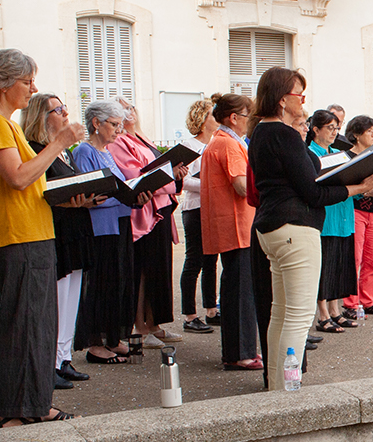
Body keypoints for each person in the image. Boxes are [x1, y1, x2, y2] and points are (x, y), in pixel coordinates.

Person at [0, 48, 84, 427]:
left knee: (38, 325)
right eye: (26, 81)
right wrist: (59, 143)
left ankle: (34, 402)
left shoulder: (8, 124)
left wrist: (65, 198)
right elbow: (16, 176)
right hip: (15, 236)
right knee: (22, 324)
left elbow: (28, 179)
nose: (32, 88)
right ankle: (9, 411)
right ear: (4, 84)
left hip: (32, 231)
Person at [250, 68, 373, 389]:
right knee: (296, 317)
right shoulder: (283, 134)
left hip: (271, 226)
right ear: (284, 100)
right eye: (300, 96)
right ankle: (287, 389)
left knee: (280, 314)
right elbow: (313, 192)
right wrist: (358, 187)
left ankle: (276, 383)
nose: (303, 103)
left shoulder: (261, 133)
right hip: (295, 228)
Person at [22, 93, 98, 390]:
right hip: (57, 231)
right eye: (58, 110)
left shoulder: (64, 152)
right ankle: (50, 362)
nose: (65, 114)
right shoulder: (37, 149)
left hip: (76, 228)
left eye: (65, 108)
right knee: (56, 299)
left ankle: (64, 357)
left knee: (71, 298)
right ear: (41, 117)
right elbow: (41, 191)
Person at [110, 99, 187, 350]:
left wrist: (176, 172)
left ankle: (154, 323)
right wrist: (169, 177)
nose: (129, 112)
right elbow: (135, 175)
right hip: (144, 210)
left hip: (162, 206)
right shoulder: (119, 140)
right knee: (144, 270)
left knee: (159, 269)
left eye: (131, 107)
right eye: (122, 109)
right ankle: (140, 326)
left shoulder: (142, 137)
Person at [72, 101, 141, 364]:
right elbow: (93, 192)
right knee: (101, 283)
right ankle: (94, 343)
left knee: (119, 282)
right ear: (96, 123)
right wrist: (124, 195)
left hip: (119, 221)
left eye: (119, 124)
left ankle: (113, 337)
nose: (118, 129)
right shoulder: (84, 151)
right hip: (100, 226)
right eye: (113, 124)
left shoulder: (107, 151)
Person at [201, 93, 261, 370]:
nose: (250, 122)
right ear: (233, 118)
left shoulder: (223, 142)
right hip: (238, 226)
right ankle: (241, 353)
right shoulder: (227, 144)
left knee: (237, 290)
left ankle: (239, 351)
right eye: (248, 116)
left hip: (235, 225)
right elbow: (240, 185)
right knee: (241, 293)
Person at [308, 110, 358, 331]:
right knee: (325, 267)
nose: (334, 133)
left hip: (344, 214)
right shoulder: (310, 153)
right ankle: (323, 314)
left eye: (336, 128)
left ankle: (336, 310)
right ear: (315, 129)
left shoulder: (339, 152)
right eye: (329, 128)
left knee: (340, 265)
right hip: (326, 217)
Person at [342, 115, 373, 318]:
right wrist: (365, 192)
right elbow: (344, 185)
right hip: (355, 209)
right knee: (355, 257)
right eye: (369, 131)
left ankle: (367, 300)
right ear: (356, 135)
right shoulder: (346, 156)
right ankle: (350, 303)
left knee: (372, 258)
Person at [179, 99, 219, 333]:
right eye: (213, 115)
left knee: (211, 260)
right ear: (203, 120)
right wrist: (209, 184)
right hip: (195, 208)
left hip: (213, 208)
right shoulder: (188, 146)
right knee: (193, 260)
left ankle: (211, 309)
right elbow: (182, 180)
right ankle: (189, 315)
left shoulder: (216, 144)